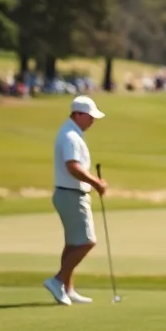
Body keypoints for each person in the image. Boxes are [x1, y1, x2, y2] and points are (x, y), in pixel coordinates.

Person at [44, 97, 107, 305]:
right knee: (87, 241)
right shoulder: (70, 136)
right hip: (71, 194)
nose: (92, 121)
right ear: (78, 114)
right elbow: (73, 166)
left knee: (72, 244)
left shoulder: (71, 132)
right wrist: (96, 182)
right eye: (90, 117)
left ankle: (67, 288)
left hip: (68, 193)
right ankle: (58, 280)